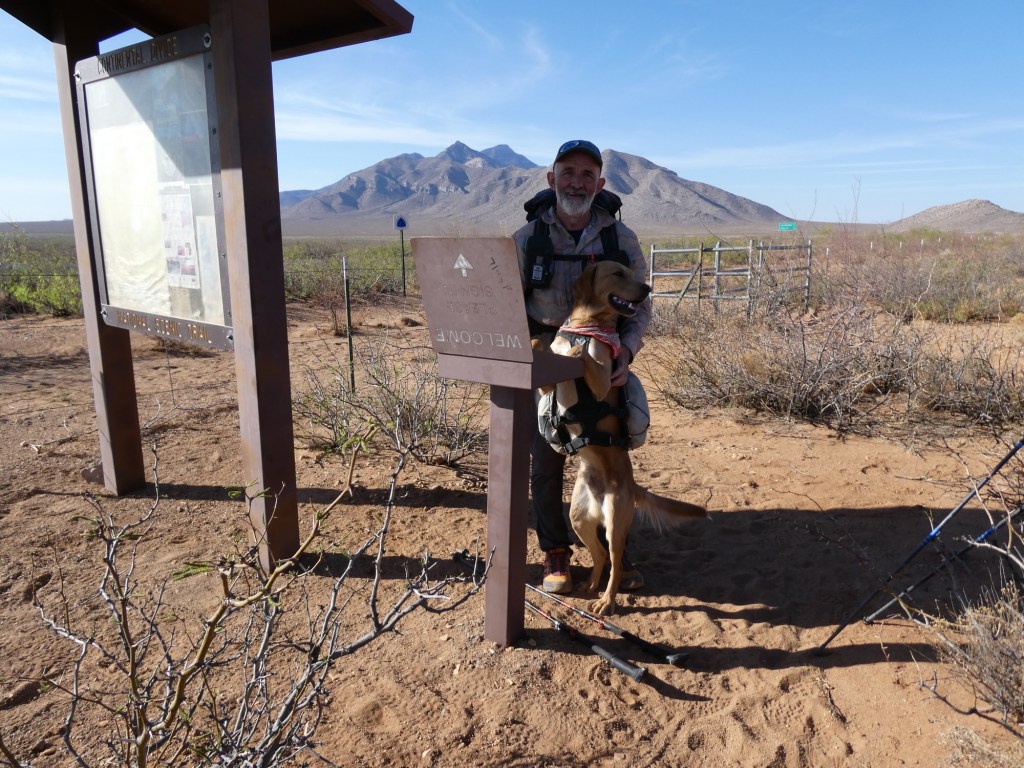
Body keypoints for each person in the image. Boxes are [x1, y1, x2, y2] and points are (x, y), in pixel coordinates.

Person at [513, 139, 652, 594]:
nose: (577, 182)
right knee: (546, 460)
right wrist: (530, 355)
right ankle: (556, 551)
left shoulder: (619, 238)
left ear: (600, 183)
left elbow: (641, 303)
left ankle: (614, 547)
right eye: (568, 172)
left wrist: (626, 353)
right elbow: (506, 304)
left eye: (587, 175)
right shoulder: (527, 239)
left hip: (603, 355)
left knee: (609, 452)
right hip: (547, 358)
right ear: (551, 179)